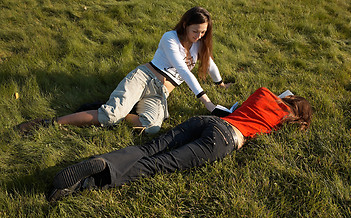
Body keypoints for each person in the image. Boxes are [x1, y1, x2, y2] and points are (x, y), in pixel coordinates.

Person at [47, 87, 313, 202]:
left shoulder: (263, 94)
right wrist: (297, 119)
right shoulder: (282, 119)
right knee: (157, 164)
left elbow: (278, 96)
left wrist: (284, 98)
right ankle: (85, 183)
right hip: (224, 140)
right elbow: (285, 117)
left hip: (205, 121)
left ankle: (104, 161)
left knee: (149, 149)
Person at [18, 7, 231, 134]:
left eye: (203, 32)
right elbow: (184, 71)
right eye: (196, 31)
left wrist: (219, 83)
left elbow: (210, 65)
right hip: (145, 78)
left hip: (160, 92)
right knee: (109, 117)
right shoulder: (170, 38)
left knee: (151, 127)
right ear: (185, 24)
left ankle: (121, 110)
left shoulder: (200, 45)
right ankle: (49, 123)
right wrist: (207, 102)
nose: (199, 36)